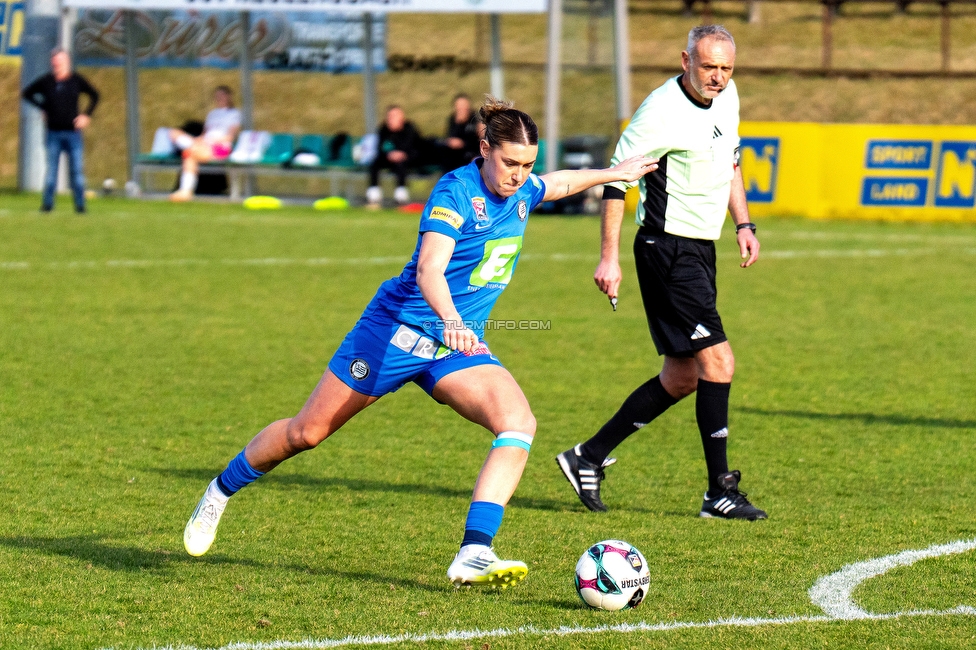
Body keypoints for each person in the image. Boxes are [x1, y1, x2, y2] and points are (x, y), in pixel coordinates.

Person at [183, 96, 657, 588]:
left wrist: (610, 172)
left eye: (527, 165)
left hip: (453, 349)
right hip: (395, 333)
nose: (519, 175)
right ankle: (219, 491)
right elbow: (431, 269)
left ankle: (474, 552)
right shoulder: (455, 192)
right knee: (307, 433)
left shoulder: (522, 189)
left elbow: (556, 184)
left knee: (517, 423)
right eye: (510, 163)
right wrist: (451, 318)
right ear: (484, 148)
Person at [555, 25, 768, 521]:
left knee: (681, 377)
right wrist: (609, 257)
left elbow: (730, 161)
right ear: (685, 60)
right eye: (709, 66)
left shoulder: (728, 96)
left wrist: (744, 221)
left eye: (726, 67)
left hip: (699, 249)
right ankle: (720, 491)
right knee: (719, 364)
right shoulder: (659, 112)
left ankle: (587, 456)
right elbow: (616, 183)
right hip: (666, 250)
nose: (717, 76)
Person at [21, 48, 99, 214]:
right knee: (51, 173)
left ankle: (80, 206)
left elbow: (94, 95)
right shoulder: (47, 81)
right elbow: (27, 93)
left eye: (60, 62)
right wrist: (43, 107)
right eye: (54, 62)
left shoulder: (76, 80)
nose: (57, 65)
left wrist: (86, 115)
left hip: (73, 133)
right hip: (53, 133)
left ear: (67, 63)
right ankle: (47, 205)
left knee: (77, 172)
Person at [169, 86, 241, 202]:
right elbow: (204, 134)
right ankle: (185, 191)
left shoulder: (234, 114)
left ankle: (186, 191)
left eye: (222, 96)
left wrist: (211, 140)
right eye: (217, 96)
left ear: (229, 97)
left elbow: (230, 137)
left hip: (221, 148)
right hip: (204, 145)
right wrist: (199, 140)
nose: (220, 98)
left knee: (190, 154)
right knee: (175, 134)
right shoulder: (212, 114)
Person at [366, 105, 422, 208]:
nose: (391, 119)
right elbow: (380, 147)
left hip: (408, 159)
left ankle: (401, 195)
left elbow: (414, 147)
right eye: (389, 116)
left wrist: (401, 154)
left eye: (394, 116)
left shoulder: (410, 129)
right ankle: (374, 195)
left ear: (401, 117)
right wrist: (389, 154)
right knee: (374, 163)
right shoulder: (383, 129)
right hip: (389, 158)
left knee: (400, 163)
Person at [438, 93, 482, 172]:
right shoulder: (453, 119)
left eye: (464, 105)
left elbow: (478, 139)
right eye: (459, 106)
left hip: (473, 152)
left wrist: (463, 143)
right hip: (456, 154)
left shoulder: (476, 119)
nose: (462, 109)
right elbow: (451, 136)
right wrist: (459, 124)